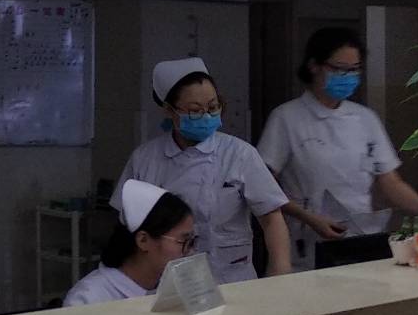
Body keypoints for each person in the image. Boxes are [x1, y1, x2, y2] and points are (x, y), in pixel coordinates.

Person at [258, 28, 418, 270]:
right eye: (340, 69)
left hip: (361, 240)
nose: (348, 76)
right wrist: (308, 218)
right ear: (314, 66)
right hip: (307, 242)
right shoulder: (286, 118)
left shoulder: (365, 118)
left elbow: (392, 184)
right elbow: (263, 188)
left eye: (354, 70)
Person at [114, 58, 292, 282]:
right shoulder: (145, 159)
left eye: (213, 107)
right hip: (167, 280)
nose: (207, 116)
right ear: (169, 110)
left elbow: (271, 217)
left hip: (232, 278)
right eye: (195, 111)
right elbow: (127, 227)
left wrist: (280, 272)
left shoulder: (239, 154)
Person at [64, 179, 196, 306]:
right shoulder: (88, 299)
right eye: (184, 241)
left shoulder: (173, 291)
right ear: (143, 240)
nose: (190, 251)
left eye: (192, 241)